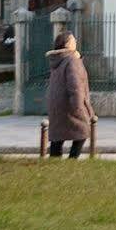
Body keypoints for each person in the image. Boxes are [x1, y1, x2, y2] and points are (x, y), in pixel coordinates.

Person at [46, 31, 95, 159]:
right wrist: (79, 107)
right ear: (67, 44)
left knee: (58, 137)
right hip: (70, 105)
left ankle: (54, 162)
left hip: (57, 105)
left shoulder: (57, 60)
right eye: (73, 40)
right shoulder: (72, 60)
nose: (76, 42)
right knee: (82, 132)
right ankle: (72, 160)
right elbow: (75, 86)